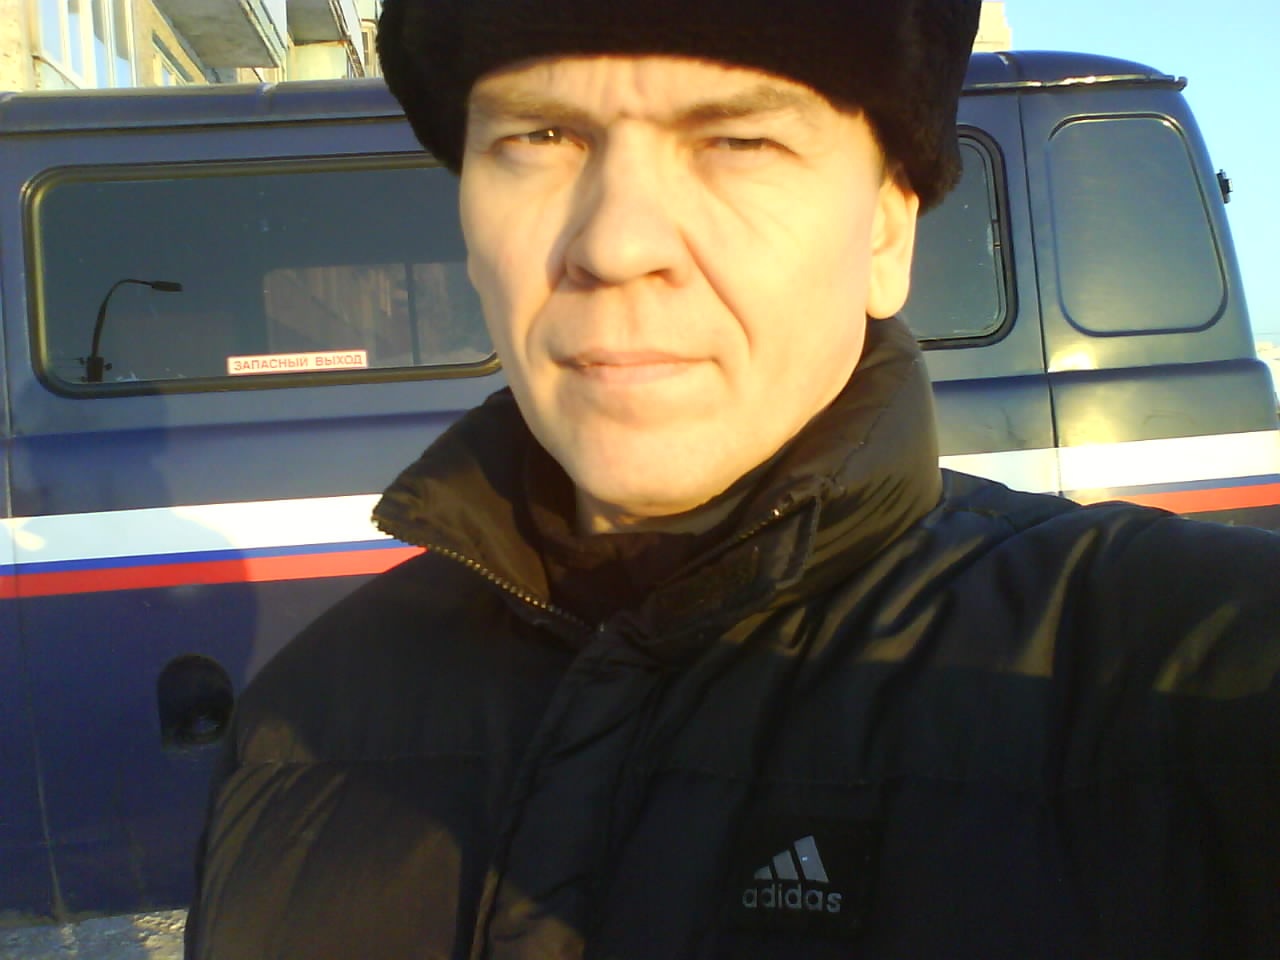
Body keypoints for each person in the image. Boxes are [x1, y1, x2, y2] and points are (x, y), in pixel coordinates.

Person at [184, 0, 1280, 956]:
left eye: (739, 139)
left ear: (887, 231)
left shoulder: (1172, 677)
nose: (615, 245)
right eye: (539, 134)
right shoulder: (299, 725)